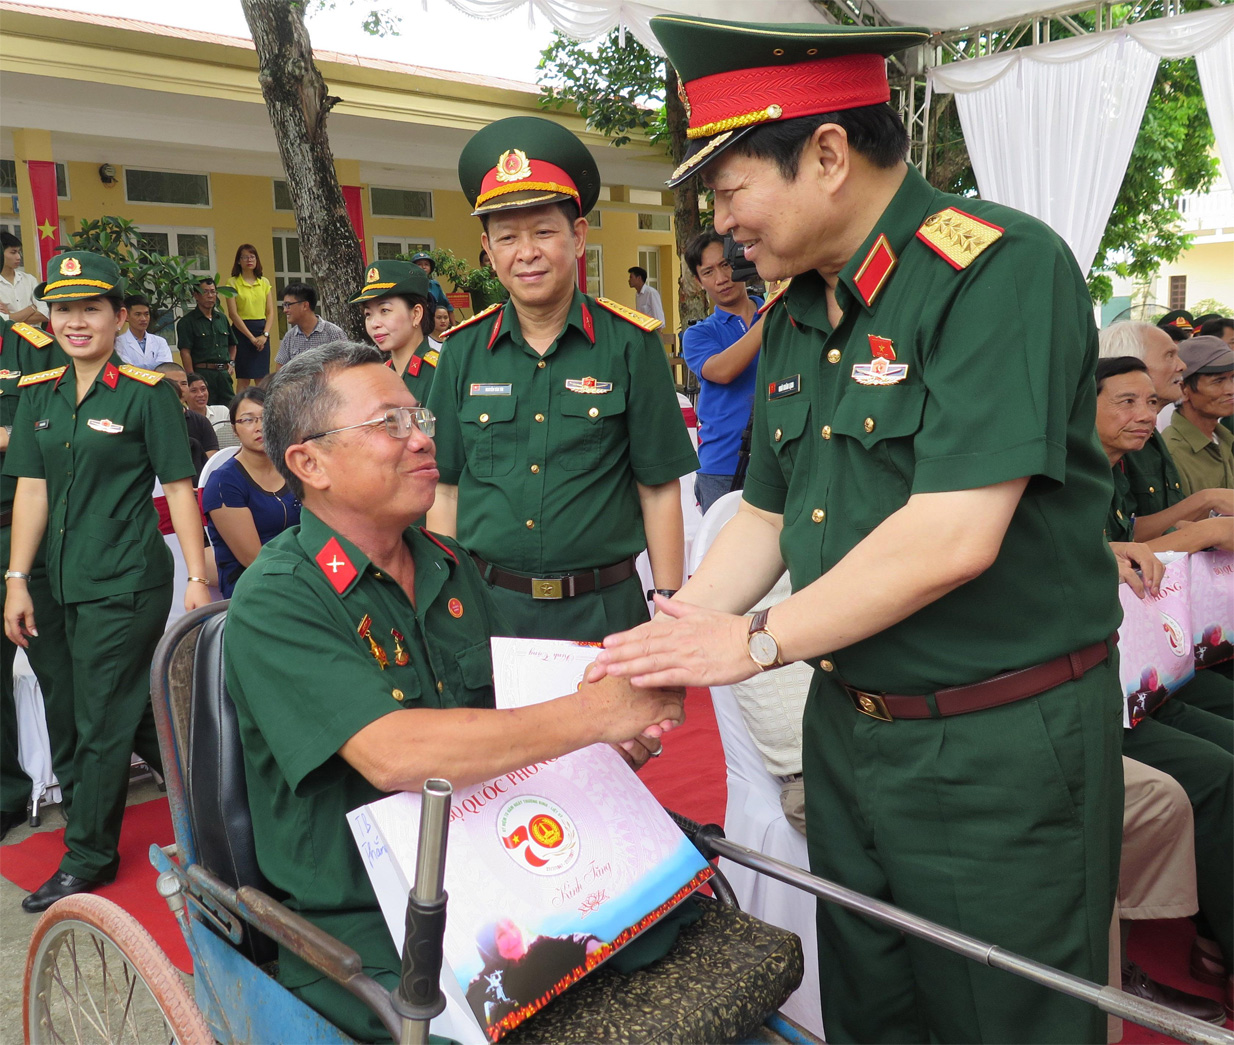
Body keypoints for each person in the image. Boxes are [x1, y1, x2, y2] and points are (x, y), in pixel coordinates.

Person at [594, 17, 1125, 1043]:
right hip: (850, 736)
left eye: (732, 186)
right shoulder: (797, 308)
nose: (722, 220)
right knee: (875, 1013)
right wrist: (667, 639)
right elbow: (768, 512)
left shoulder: (998, 270)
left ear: (827, 155)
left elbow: (954, 533)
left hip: (991, 745)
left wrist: (750, 642)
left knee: (1007, 1022)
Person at [224, 341, 684, 1041]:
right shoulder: (280, 596)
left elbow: (517, 715)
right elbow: (395, 753)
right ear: (308, 463)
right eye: (390, 424)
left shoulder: (449, 565)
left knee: (675, 928)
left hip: (495, 869)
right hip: (371, 918)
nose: (422, 441)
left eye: (421, 419)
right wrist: (592, 713)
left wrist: (606, 742)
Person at [428, 116, 697, 642]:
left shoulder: (629, 345)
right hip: (490, 611)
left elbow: (659, 489)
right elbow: (446, 490)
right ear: (488, 250)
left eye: (543, 232)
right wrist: (448, 594)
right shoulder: (461, 352)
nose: (525, 252)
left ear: (577, 237)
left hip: (605, 612)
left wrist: (668, 606)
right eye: (506, 237)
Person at [3, 251, 210, 911]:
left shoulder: (147, 395)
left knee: (98, 716)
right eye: (64, 309)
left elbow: (180, 489)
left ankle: (88, 853)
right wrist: (15, 578)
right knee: (101, 710)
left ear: (119, 316)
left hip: (124, 582)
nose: (76, 321)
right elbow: (32, 491)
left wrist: (199, 578)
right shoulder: (41, 392)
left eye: (91, 307)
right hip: (55, 582)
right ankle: (218, 798)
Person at [1, 316, 73, 840]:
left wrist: (9, 435)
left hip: (23, 533)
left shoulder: (33, 349)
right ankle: (5, 794)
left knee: (61, 670)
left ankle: (82, 791)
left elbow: (67, 425)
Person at [681, 229, 764, 512]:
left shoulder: (778, 313)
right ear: (698, 281)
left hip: (780, 461)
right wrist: (769, 319)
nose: (721, 279)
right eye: (708, 272)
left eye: (726, 265)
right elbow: (723, 370)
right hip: (721, 467)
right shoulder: (698, 334)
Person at [202, 388, 299, 598]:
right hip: (255, 584)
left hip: (303, 571)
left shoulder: (293, 467)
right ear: (235, 430)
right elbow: (253, 559)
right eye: (248, 420)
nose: (259, 427)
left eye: (266, 418)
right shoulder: (223, 483)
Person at [466, 919, 602, 1026]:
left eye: (512, 926)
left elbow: (581, 942)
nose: (513, 936)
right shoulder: (484, 986)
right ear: (490, 948)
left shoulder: (541, 947)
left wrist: (592, 946)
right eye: (501, 935)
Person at [348, 261, 439, 404]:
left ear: (416, 314)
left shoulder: (440, 373)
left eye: (384, 310)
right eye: (368, 314)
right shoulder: (380, 376)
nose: (374, 324)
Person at [1163, 336, 1234, 495]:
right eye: (1218, 381)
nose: (1231, 390)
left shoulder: (1220, 438)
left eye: (1233, 378)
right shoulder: (1173, 453)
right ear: (1184, 389)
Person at [176, 277, 236, 407]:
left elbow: (232, 344)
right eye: (205, 292)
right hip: (203, 374)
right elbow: (185, 352)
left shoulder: (222, 318)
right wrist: (192, 377)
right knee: (205, 411)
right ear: (196, 295)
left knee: (230, 410)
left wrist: (231, 362)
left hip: (223, 375)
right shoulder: (187, 322)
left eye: (213, 292)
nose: (210, 296)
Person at [154, 362, 218, 481]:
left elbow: (210, 463)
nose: (179, 388)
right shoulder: (147, 421)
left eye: (184, 383)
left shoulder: (200, 421)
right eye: (171, 383)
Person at [225, 244, 276, 390]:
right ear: (238, 261)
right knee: (244, 378)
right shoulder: (232, 282)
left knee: (262, 378)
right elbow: (233, 314)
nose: (249, 260)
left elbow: (270, 312)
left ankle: (262, 410)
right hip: (242, 332)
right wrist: (251, 338)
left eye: (252, 256)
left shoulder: (264, 282)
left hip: (262, 330)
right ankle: (240, 409)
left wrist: (264, 335)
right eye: (245, 257)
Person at [274, 281, 345, 368]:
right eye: (284, 305)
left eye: (288, 305)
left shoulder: (333, 333)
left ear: (305, 305)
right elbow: (280, 370)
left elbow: (346, 366)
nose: (285, 310)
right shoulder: (290, 337)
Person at [0, 231, 49, 327]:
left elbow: (45, 314)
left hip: (35, 337)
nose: (18, 257)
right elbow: (2, 321)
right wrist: (32, 308)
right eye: (13, 252)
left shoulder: (29, 280)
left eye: (19, 252)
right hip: (7, 338)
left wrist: (11, 316)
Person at [114, 295, 172, 370]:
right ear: (126, 317)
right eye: (138, 314)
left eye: (146, 314)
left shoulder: (160, 342)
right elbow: (126, 369)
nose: (143, 319)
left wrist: (136, 367)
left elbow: (166, 368)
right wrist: (154, 367)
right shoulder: (118, 343)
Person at [627, 265, 670, 346]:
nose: (629, 280)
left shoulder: (651, 293)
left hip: (653, 334)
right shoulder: (637, 295)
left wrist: (658, 339)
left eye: (631, 277)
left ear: (639, 278)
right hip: (643, 334)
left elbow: (658, 316)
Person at [409, 251, 453, 317]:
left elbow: (448, 307)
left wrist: (454, 326)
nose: (423, 267)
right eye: (419, 264)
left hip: (432, 324)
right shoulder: (408, 286)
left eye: (426, 264)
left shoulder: (435, 286)